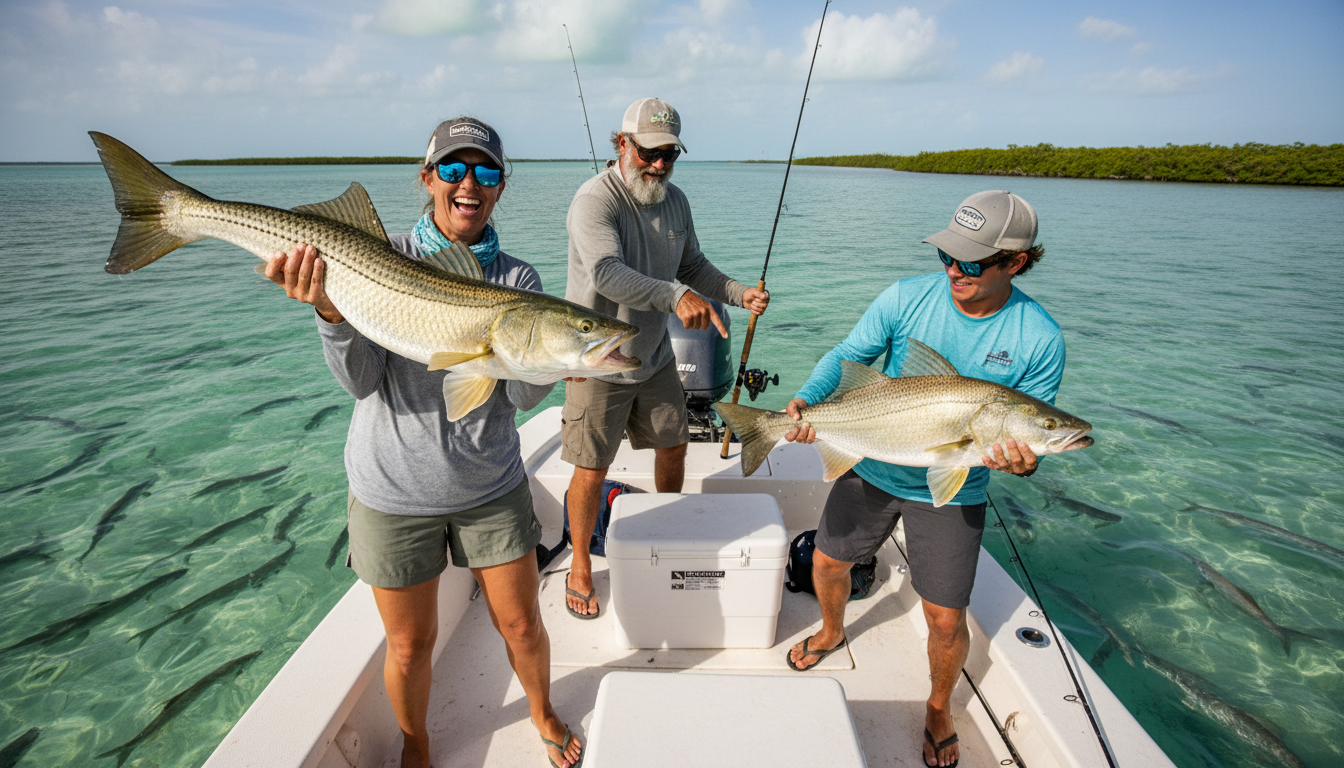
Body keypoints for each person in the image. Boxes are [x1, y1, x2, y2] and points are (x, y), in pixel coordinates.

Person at [264, 117, 583, 768]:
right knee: (409, 648)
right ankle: (416, 744)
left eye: (486, 171)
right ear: (427, 178)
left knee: (522, 624)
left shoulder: (517, 281)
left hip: (489, 486)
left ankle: (543, 711)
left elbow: (520, 399)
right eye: (454, 169)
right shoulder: (381, 256)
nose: (470, 184)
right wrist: (330, 313)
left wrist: (556, 361)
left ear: (500, 187)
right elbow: (361, 382)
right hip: (393, 489)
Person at [782, 191, 1063, 768]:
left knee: (945, 617)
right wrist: (808, 401)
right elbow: (847, 355)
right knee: (827, 564)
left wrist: (1027, 459)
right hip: (870, 460)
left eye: (973, 262)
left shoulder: (1040, 338)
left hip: (956, 486)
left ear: (1016, 262)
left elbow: (1035, 427)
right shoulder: (905, 297)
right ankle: (832, 631)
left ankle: (938, 706)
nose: (955, 271)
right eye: (947, 256)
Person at [560, 97, 770, 619]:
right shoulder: (594, 200)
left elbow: (692, 265)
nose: (658, 164)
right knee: (592, 467)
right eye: (648, 152)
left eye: (669, 155)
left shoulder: (675, 201)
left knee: (674, 446)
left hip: (654, 357)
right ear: (622, 144)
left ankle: (665, 528)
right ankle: (580, 563)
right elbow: (606, 273)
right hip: (596, 358)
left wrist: (738, 293)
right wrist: (675, 296)